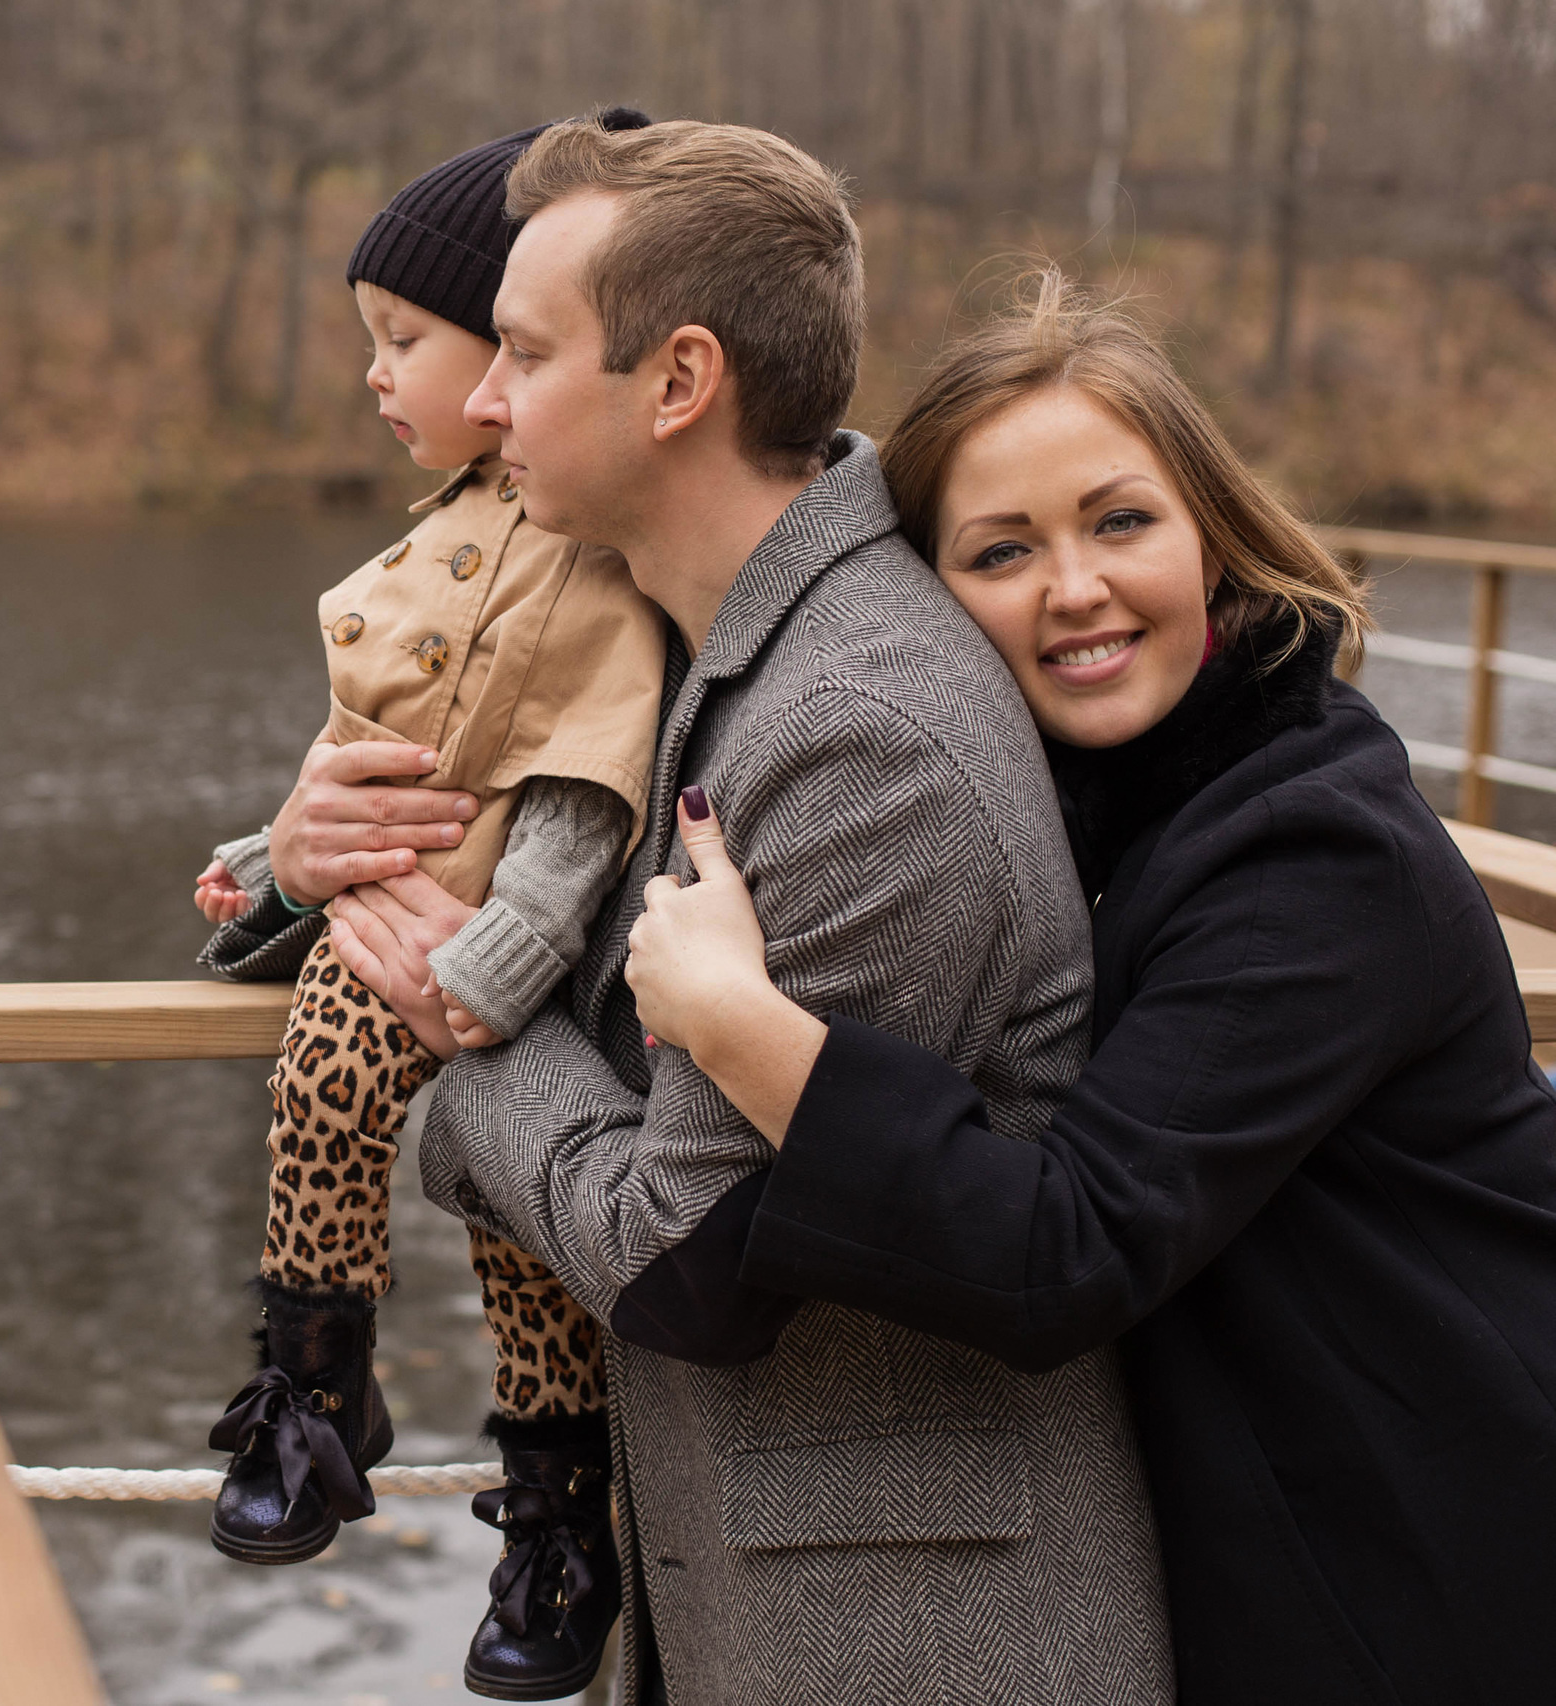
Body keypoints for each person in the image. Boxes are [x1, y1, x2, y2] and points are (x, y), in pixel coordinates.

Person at [288, 120, 1173, 1701]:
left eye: (531, 352)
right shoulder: (693, 646)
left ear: (679, 382)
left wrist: (462, 1037)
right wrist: (297, 857)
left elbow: (672, 1253)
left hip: (917, 1644)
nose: (484, 398)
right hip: (744, 1608)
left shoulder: (861, 738)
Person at [621, 271, 1556, 1705]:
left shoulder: (1314, 851)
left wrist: (745, 1027)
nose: (1076, 588)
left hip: (1434, 1548)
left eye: (1123, 521)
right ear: (930, 600)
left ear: (1213, 536)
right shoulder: (1086, 809)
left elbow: (1067, 1245)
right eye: (1002, 551)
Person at [192, 111, 667, 1701]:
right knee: (322, 1092)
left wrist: (513, 943)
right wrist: (270, 868)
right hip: (392, 933)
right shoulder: (442, 540)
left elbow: (581, 771)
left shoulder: (596, 546)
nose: (377, 377)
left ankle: (553, 1508)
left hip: (498, 966)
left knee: (523, 1234)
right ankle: (316, 1385)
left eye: (405, 339)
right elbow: (364, 753)